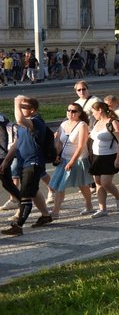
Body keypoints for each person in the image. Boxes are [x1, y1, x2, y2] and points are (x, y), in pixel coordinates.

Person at [1, 96, 54, 235]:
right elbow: (17, 143)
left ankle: (18, 226)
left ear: (32, 110)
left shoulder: (36, 122)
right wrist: (7, 160)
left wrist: (16, 102)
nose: (20, 109)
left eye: (24, 107)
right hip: (24, 162)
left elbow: (19, 119)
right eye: (21, 107)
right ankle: (46, 216)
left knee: (26, 195)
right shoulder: (23, 126)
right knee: (33, 190)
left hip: (33, 162)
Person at [48, 103, 95, 218]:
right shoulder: (63, 124)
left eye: (74, 111)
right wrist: (57, 155)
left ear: (79, 113)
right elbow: (59, 142)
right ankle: (55, 211)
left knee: (82, 185)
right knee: (59, 185)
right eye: (68, 110)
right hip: (64, 159)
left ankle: (89, 206)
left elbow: (80, 146)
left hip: (78, 160)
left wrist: (72, 161)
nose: (70, 113)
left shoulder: (82, 125)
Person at [88, 101, 119, 218]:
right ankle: (102, 209)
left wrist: (118, 158)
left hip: (109, 156)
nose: (93, 114)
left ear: (100, 110)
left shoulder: (113, 122)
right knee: (98, 183)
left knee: (106, 182)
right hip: (96, 156)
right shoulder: (96, 122)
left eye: (94, 112)